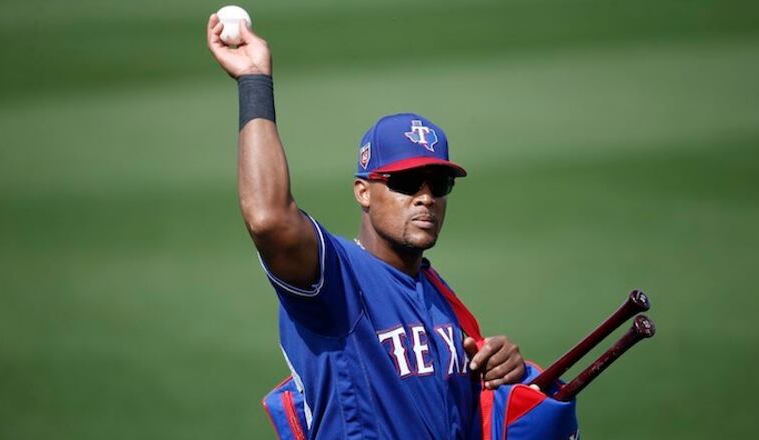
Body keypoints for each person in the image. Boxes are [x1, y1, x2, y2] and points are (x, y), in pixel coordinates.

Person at [206, 14, 525, 439]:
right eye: (407, 182)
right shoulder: (335, 280)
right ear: (363, 192)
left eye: (440, 184)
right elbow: (268, 219)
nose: (426, 197)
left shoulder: (441, 300)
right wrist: (254, 81)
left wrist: (500, 370)